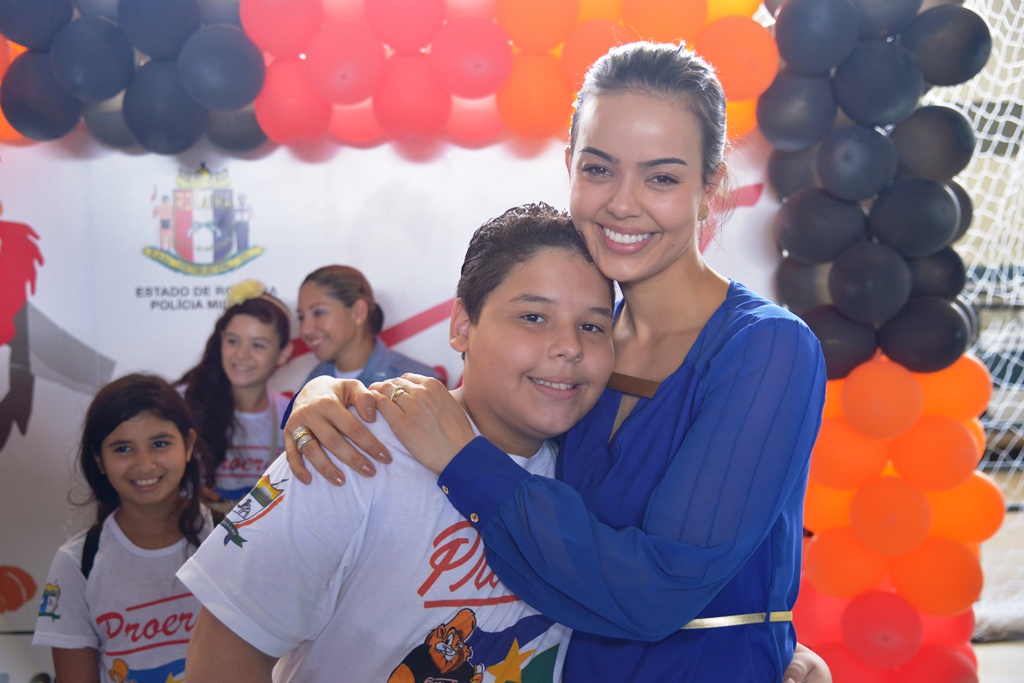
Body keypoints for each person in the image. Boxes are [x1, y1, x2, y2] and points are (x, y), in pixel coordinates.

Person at [282, 42, 829, 682]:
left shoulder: (767, 347)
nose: (622, 203)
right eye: (599, 169)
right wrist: (330, 399)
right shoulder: (584, 346)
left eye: (661, 177)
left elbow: (661, 589)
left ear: (709, 188)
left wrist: (465, 463)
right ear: (570, 166)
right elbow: (474, 420)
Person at [177, 204, 615, 681]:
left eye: (593, 326)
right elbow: (225, 652)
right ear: (462, 326)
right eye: (533, 316)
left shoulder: (596, 474)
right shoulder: (351, 447)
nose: (570, 346)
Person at [33, 373, 214, 683]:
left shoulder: (232, 539)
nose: (144, 465)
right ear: (99, 460)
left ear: (188, 445)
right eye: (122, 449)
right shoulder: (77, 562)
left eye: (159, 444)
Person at [177, 279, 294, 512]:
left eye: (258, 345)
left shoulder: (292, 414)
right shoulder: (179, 403)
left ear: (283, 354)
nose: (241, 355)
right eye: (233, 341)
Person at [297, 264, 443, 394]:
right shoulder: (312, 384)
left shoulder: (419, 385)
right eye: (301, 317)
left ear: (358, 312)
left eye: (319, 312)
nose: (305, 330)